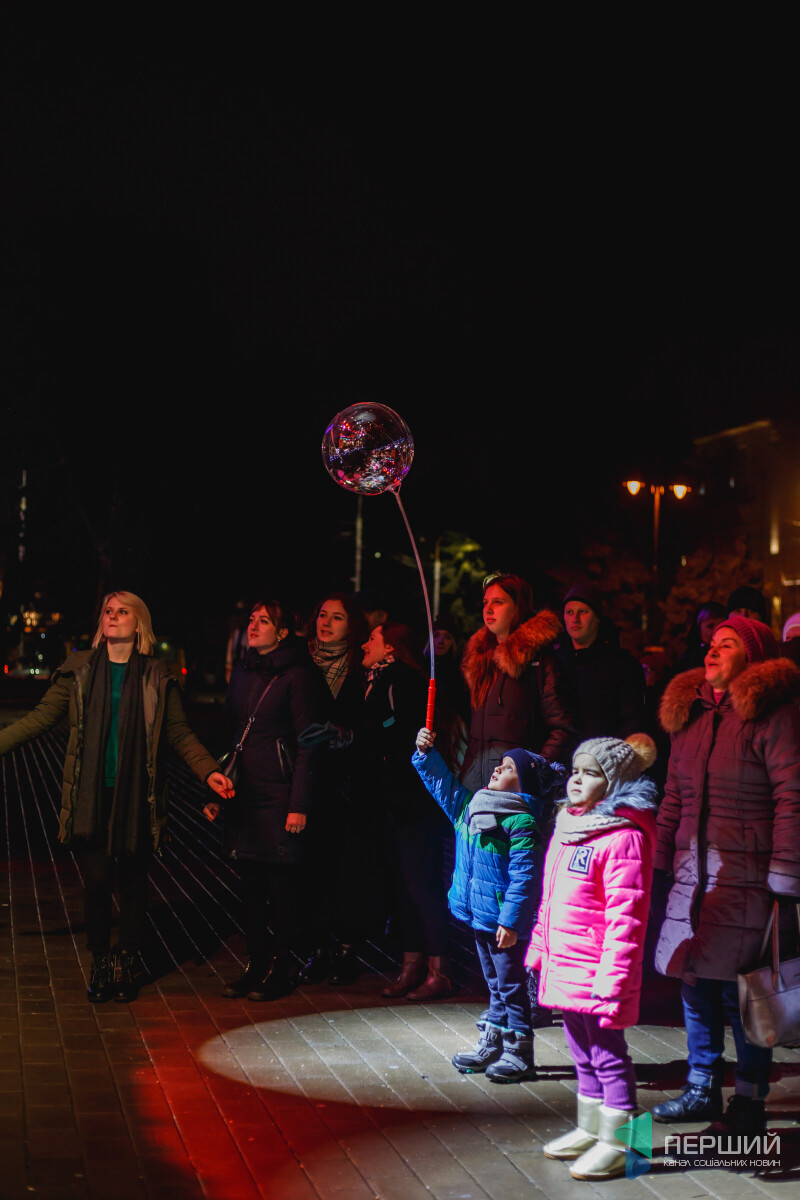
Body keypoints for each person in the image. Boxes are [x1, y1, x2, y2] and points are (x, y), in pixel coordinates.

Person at [0, 591, 233, 1003]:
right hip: (91, 796)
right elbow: (39, 719)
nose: (113, 616)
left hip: (138, 796)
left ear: (138, 623)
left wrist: (209, 770)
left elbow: (178, 733)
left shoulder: (157, 676)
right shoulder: (78, 671)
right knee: (97, 882)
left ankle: (126, 960)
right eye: (108, 611)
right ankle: (101, 959)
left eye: (122, 611)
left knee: (133, 883)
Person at [653, 614, 800, 1135]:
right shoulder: (691, 714)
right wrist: (660, 860)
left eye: (728, 644)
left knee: (744, 991)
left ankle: (749, 1101)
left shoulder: (775, 715)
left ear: (753, 659)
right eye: (712, 643)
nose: (712, 651)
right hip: (693, 873)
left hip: (748, 873)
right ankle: (701, 1087)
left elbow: (792, 797)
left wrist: (786, 875)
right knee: (694, 979)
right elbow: (674, 795)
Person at [525, 734, 658, 1181]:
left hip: (599, 968)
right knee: (581, 1052)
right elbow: (551, 898)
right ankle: (591, 1127)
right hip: (566, 962)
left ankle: (627, 1146)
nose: (577, 779)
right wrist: (540, 947)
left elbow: (627, 917)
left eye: (591, 773)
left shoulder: (624, 837)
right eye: (575, 771)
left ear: (614, 782)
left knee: (609, 1055)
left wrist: (615, 977)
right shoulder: (568, 826)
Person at [414, 726, 565, 1083]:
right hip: (482, 917)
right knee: (495, 983)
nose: (498, 768)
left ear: (524, 785)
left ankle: (520, 1050)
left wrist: (511, 922)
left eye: (509, 768)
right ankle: (494, 1041)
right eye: (501, 764)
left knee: (511, 985)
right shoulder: (472, 808)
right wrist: (425, 754)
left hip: (503, 922)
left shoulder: (521, 821)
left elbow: (525, 877)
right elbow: (442, 785)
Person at [204, 598, 327, 1002]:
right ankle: (256, 962)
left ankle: (281, 965)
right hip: (244, 794)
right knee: (250, 886)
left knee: (282, 887)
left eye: (264, 621)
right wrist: (216, 793)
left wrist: (299, 804)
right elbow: (228, 735)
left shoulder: (298, 675)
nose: (253, 626)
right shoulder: (243, 671)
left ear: (283, 632)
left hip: (279, 795)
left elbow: (309, 743)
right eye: (252, 620)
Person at [360, 620, 453, 1001]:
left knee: (419, 883)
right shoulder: (376, 679)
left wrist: (374, 733)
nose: (364, 644)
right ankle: (411, 965)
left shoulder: (401, 679)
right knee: (403, 884)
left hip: (411, 800)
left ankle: (439, 969)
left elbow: (402, 730)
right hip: (392, 798)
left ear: (391, 648)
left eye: (372, 639)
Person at [297, 592, 368, 986]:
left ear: (351, 625)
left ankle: (346, 947)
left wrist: (346, 736)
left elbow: (370, 723)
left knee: (346, 867)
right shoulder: (302, 663)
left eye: (336, 617)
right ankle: (316, 946)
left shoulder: (361, 668)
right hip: (309, 778)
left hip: (347, 782)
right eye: (322, 615)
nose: (325, 623)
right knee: (311, 867)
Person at [459, 573, 578, 791]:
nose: (488, 609)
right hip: (475, 788)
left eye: (498, 602)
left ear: (518, 607)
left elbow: (562, 729)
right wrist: (467, 774)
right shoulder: (480, 661)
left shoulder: (540, 661)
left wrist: (531, 774)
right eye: (485, 602)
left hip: (515, 791)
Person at [555, 584, 647, 739]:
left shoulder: (623, 666)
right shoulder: (553, 662)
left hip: (606, 751)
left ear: (597, 617)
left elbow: (633, 721)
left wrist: (606, 751)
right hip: (559, 752)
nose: (575, 619)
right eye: (569, 612)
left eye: (583, 612)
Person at [669, 601, 725, 675]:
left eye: (721, 626)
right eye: (710, 626)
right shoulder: (689, 658)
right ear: (699, 629)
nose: (717, 630)